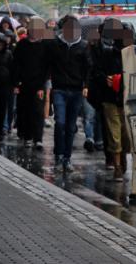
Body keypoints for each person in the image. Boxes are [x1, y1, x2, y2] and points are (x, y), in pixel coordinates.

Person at [45, 14, 91, 172]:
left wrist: (86, 85)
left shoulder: (84, 46)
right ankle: (58, 156)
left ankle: (67, 158)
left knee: (71, 126)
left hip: (76, 90)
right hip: (59, 89)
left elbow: (88, 68)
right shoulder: (54, 44)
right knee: (60, 122)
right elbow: (47, 64)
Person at [90, 18, 131, 182]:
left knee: (126, 135)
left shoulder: (135, 55)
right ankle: (118, 167)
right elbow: (96, 71)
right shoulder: (107, 53)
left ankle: (122, 159)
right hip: (110, 99)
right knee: (114, 135)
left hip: (128, 100)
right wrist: (105, 79)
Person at [14, 17, 49, 149]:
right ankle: (27, 136)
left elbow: (46, 67)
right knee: (25, 110)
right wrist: (16, 84)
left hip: (39, 84)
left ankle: (38, 138)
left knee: (38, 111)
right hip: (24, 83)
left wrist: (41, 86)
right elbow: (16, 65)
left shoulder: (44, 45)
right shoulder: (22, 45)